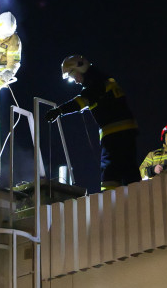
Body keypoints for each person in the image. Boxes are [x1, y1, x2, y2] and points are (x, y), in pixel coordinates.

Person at [44, 55, 139, 190]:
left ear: (81, 68)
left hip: (114, 135)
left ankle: (110, 206)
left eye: (73, 76)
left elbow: (81, 101)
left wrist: (59, 111)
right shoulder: (103, 80)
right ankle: (139, 202)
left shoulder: (96, 83)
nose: (75, 81)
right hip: (126, 132)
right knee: (130, 171)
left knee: (110, 173)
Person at [0, 12, 22, 89]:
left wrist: (9, 72)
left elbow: (14, 61)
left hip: (0, 76)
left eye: (6, 36)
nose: (4, 38)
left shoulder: (14, 40)